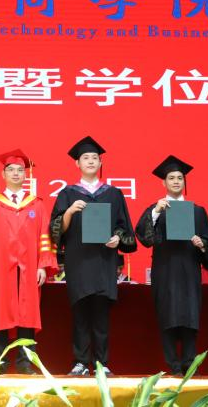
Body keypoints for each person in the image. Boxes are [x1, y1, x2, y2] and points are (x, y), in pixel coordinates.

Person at [49, 136, 136, 377]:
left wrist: (117, 238)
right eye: (85, 158)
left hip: (104, 260)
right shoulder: (68, 193)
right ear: (77, 163)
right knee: (80, 313)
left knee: (101, 314)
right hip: (78, 260)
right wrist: (69, 212)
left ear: (100, 163)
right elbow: (56, 231)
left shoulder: (114, 194)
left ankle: (101, 363)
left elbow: (124, 229)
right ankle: (79, 362)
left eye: (94, 158)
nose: (90, 161)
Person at [0, 149, 58, 374]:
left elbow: (45, 237)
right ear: (3, 174)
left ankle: (25, 363)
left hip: (30, 267)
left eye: (20, 170)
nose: (16, 173)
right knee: (0, 312)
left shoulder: (36, 204)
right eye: (11, 170)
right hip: (0, 267)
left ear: (26, 175)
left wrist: (42, 266)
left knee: (28, 313)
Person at [134, 155, 208, 375]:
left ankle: (189, 364)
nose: (176, 181)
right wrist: (156, 212)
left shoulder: (197, 211)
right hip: (165, 270)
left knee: (190, 316)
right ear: (164, 182)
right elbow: (144, 237)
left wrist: (201, 244)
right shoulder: (156, 209)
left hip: (189, 270)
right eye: (171, 178)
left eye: (180, 178)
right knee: (167, 315)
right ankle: (173, 366)